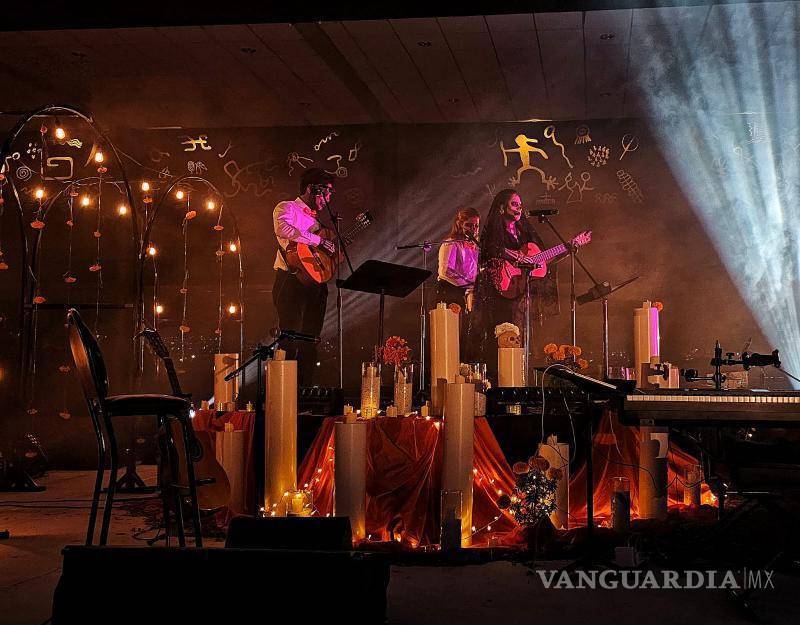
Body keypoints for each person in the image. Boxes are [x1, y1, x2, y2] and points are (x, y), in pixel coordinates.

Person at [472, 189, 559, 374]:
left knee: (522, 336)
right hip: (499, 295)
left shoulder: (525, 233)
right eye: (514, 204)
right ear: (502, 208)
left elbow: (540, 258)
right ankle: (499, 377)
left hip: (522, 293)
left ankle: (520, 375)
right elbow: (489, 251)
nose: (519, 208)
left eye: (520, 204)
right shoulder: (493, 233)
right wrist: (513, 255)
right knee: (503, 336)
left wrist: (566, 248)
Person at [272, 168, 336, 386]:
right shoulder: (286, 207)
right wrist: (316, 241)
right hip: (290, 280)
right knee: (289, 336)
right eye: (326, 192)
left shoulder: (319, 224)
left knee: (311, 338)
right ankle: (283, 390)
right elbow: (283, 229)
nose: (328, 198)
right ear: (311, 189)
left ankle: (305, 388)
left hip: (315, 284)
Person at [436, 207, 480, 358]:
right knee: (453, 335)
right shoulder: (450, 243)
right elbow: (445, 272)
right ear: (459, 224)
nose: (473, 229)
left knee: (469, 334)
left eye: (476, 226)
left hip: (468, 292)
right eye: (469, 225)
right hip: (449, 292)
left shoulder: (476, 245)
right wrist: (468, 283)